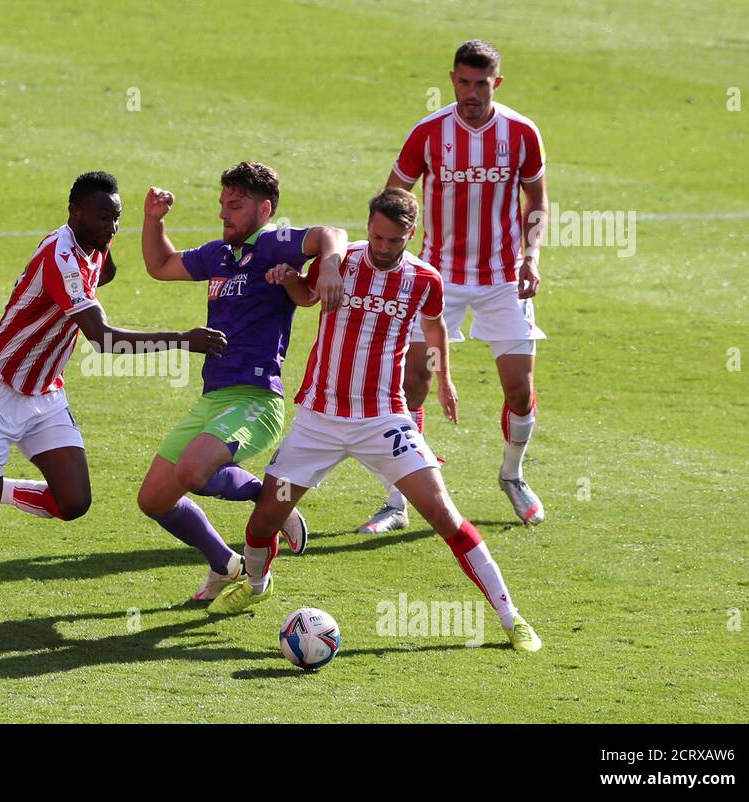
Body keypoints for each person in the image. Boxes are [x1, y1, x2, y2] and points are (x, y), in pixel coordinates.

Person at [211, 188, 541, 653]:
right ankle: (257, 583)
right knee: (266, 517)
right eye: (377, 236)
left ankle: (511, 619)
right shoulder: (343, 261)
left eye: (394, 240)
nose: (383, 247)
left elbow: (434, 327)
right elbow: (307, 297)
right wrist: (289, 278)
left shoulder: (424, 280)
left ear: (412, 235)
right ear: (369, 227)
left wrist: (444, 378)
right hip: (318, 420)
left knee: (444, 514)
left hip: (384, 420)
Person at [0, 171, 227, 618]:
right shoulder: (62, 259)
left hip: (45, 393)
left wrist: (124, 231)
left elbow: (107, 271)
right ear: (73, 213)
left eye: (115, 218)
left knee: (74, 502)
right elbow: (105, 340)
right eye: (100, 218)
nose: (109, 227)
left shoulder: (94, 246)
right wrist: (183, 338)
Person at [333, 40, 550, 533]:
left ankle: (512, 475)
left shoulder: (520, 133)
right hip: (437, 279)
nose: (471, 92)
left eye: (481, 83)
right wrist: (393, 256)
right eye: (463, 82)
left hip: (502, 280)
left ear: (497, 82)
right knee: (412, 385)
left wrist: (531, 256)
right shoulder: (430, 134)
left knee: (519, 388)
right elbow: (394, 197)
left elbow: (536, 197)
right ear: (452, 78)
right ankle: (396, 501)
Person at [137, 162, 348, 600]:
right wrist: (153, 221)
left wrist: (328, 266)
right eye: (222, 204)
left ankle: (271, 499)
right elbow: (160, 265)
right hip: (213, 399)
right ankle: (223, 563)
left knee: (194, 472)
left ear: (265, 209)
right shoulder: (217, 254)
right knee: (153, 500)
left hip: (255, 400)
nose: (224, 214)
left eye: (235, 206)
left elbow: (332, 233)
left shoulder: (274, 246)